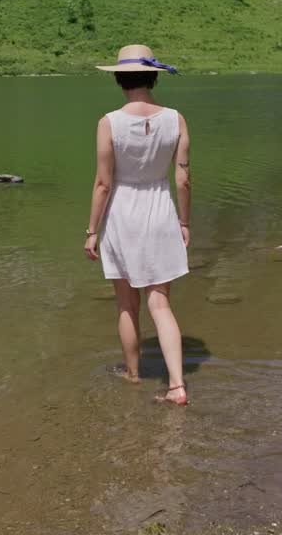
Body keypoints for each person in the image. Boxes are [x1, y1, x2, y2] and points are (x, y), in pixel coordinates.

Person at [84, 44, 191, 405]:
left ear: (119, 78)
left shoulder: (109, 122)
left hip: (122, 214)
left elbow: (103, 183)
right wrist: (185, 221)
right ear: (153, 77)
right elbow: (183, 180)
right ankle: (177, 385)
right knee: (160, 303)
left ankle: (133, 375)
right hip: (161, 210)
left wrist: (92, 231)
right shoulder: (175, 118)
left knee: (127, 305)